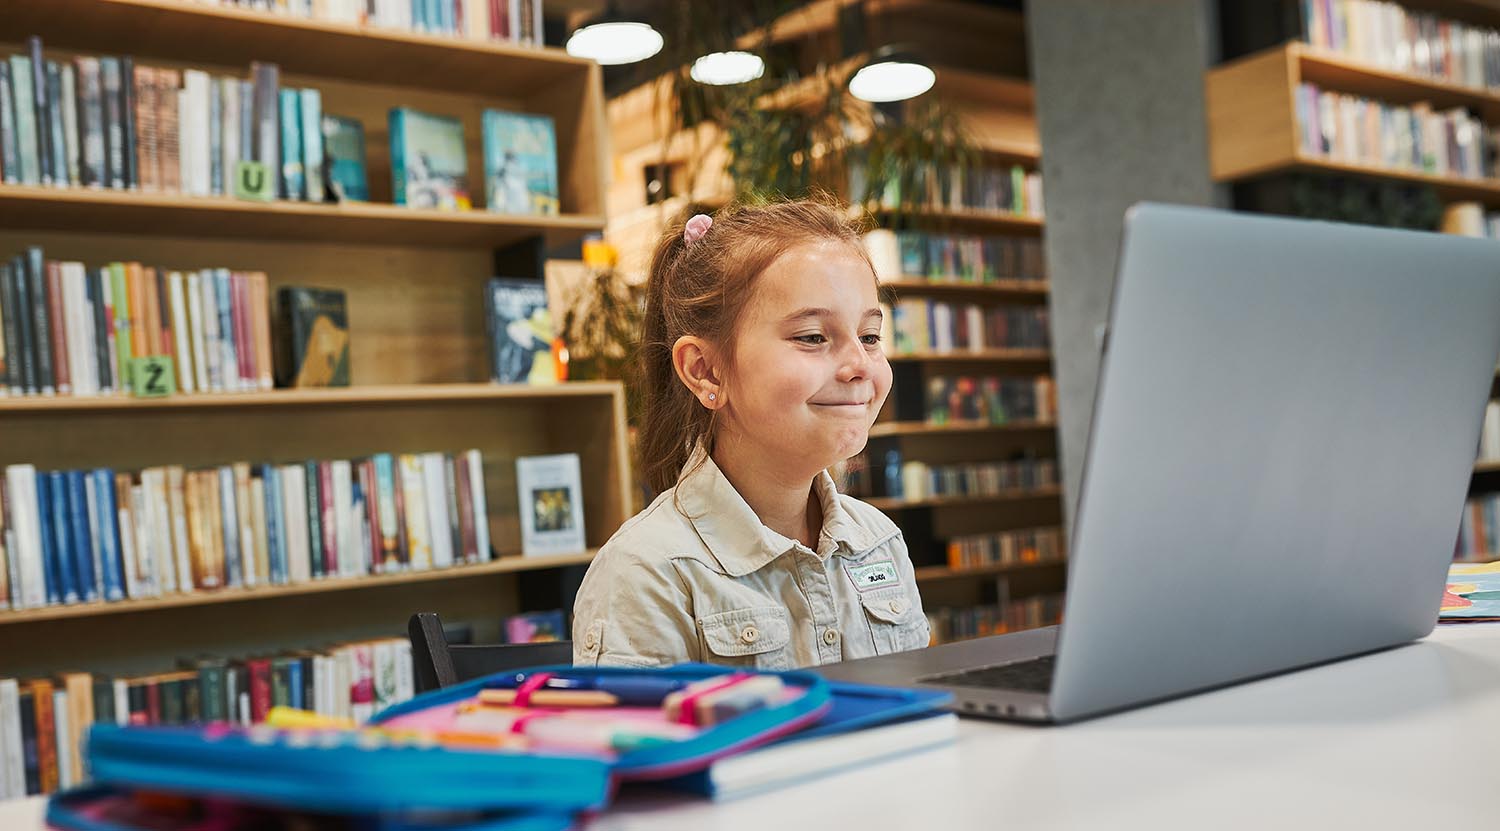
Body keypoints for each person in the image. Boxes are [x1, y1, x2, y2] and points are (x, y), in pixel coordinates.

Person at [572, 198, 930, 669]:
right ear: (706, 371)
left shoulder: (879, 541)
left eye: (869, 336)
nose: (860, 366)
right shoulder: (646, 574)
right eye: (812, 337)